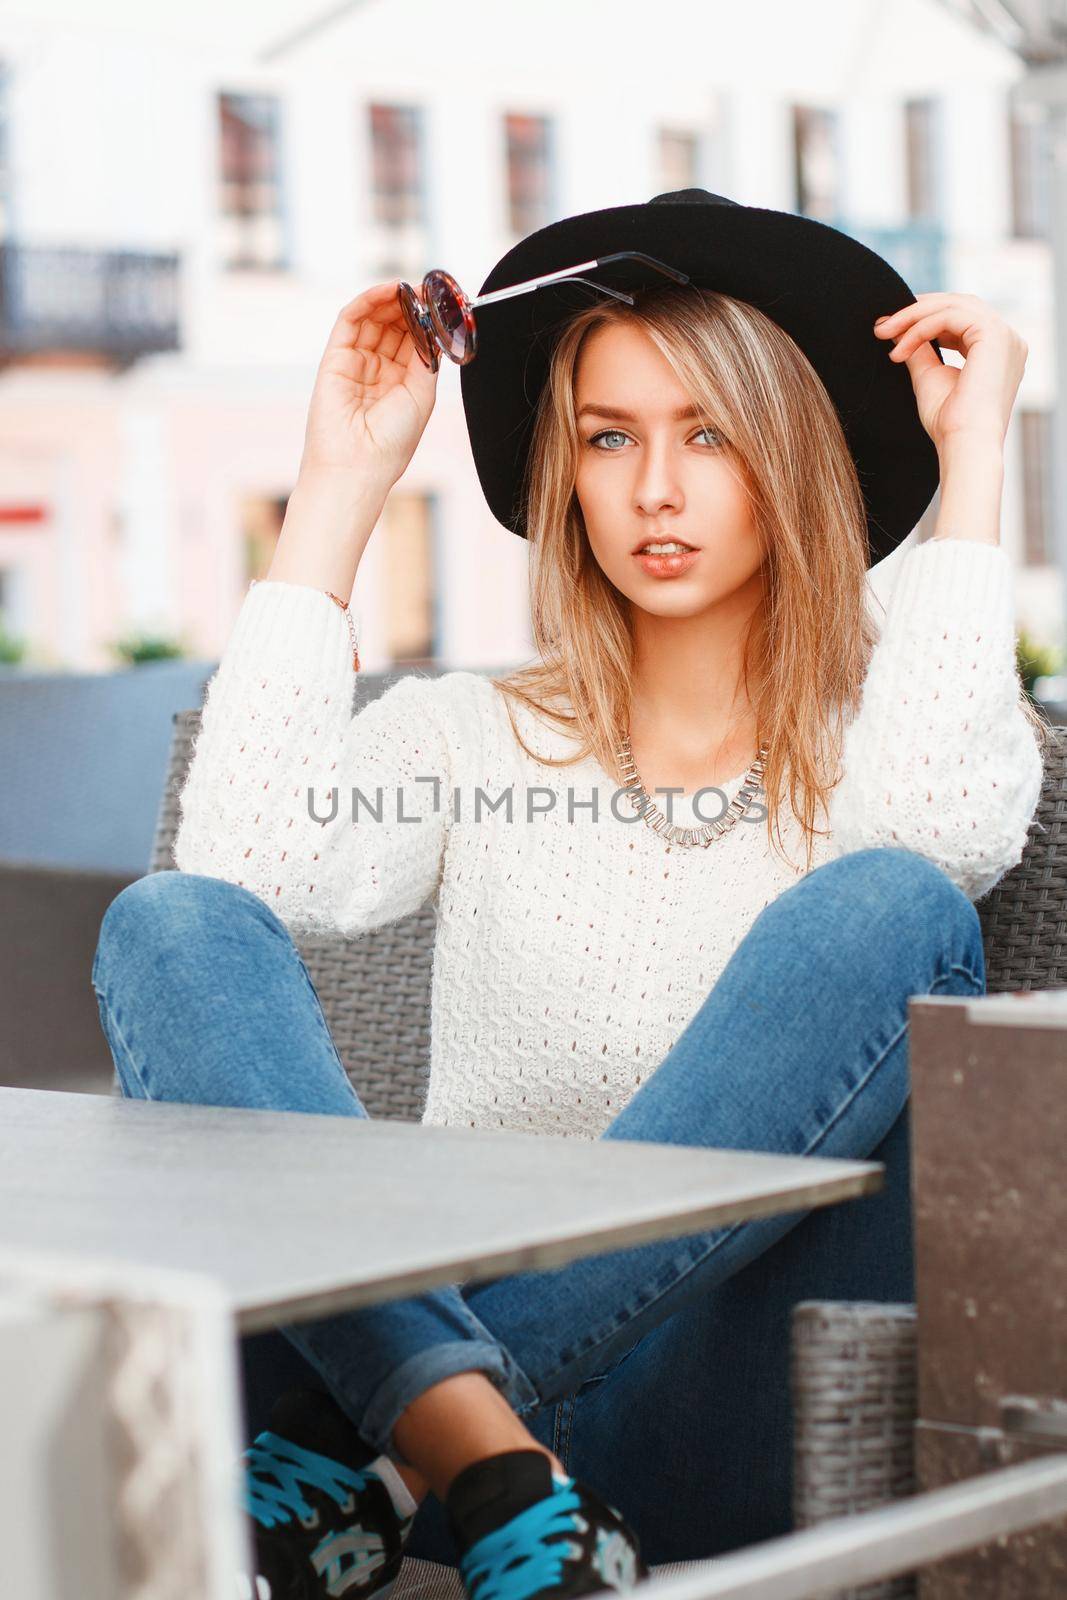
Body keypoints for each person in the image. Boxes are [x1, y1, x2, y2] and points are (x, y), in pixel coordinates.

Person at [91, 189, 1051, 1600]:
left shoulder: (898, 747)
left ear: (790, 462)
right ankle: (484, 1460)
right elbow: (241, 866)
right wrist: (342, 485)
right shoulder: (473, 737)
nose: (654, 489)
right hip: (482, 1471)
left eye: (709, 436)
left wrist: (974, 465)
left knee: (891, 906)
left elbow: (936, 842)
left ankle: (425, 1443)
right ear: (569, 475)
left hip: (698, 1422)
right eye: (611, 438)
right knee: (166, 922)